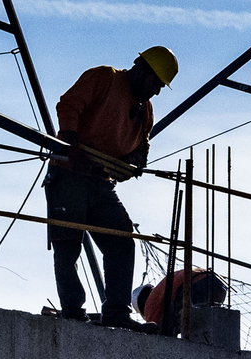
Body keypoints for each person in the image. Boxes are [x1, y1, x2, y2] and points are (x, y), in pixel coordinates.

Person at [43, 46, 178, 334]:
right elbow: (69, 105)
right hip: (68, 174)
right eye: (154, 83)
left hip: (101, 182)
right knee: (68, 245)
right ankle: (72, 312)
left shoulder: (145, 111)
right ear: (141, 69)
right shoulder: (105, 79)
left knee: (121, 239)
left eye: (159, 87)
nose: (155, 91)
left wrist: (133, 163)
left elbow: (141, 149)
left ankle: (116, 312)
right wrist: (71, 145)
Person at [132, 268, 227, 336]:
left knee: (167, 327)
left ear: (141, 304)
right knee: (197, 323)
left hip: (197, 286)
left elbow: (155, 331)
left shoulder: (150, 304)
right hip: (218, 285)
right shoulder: (162, 289)